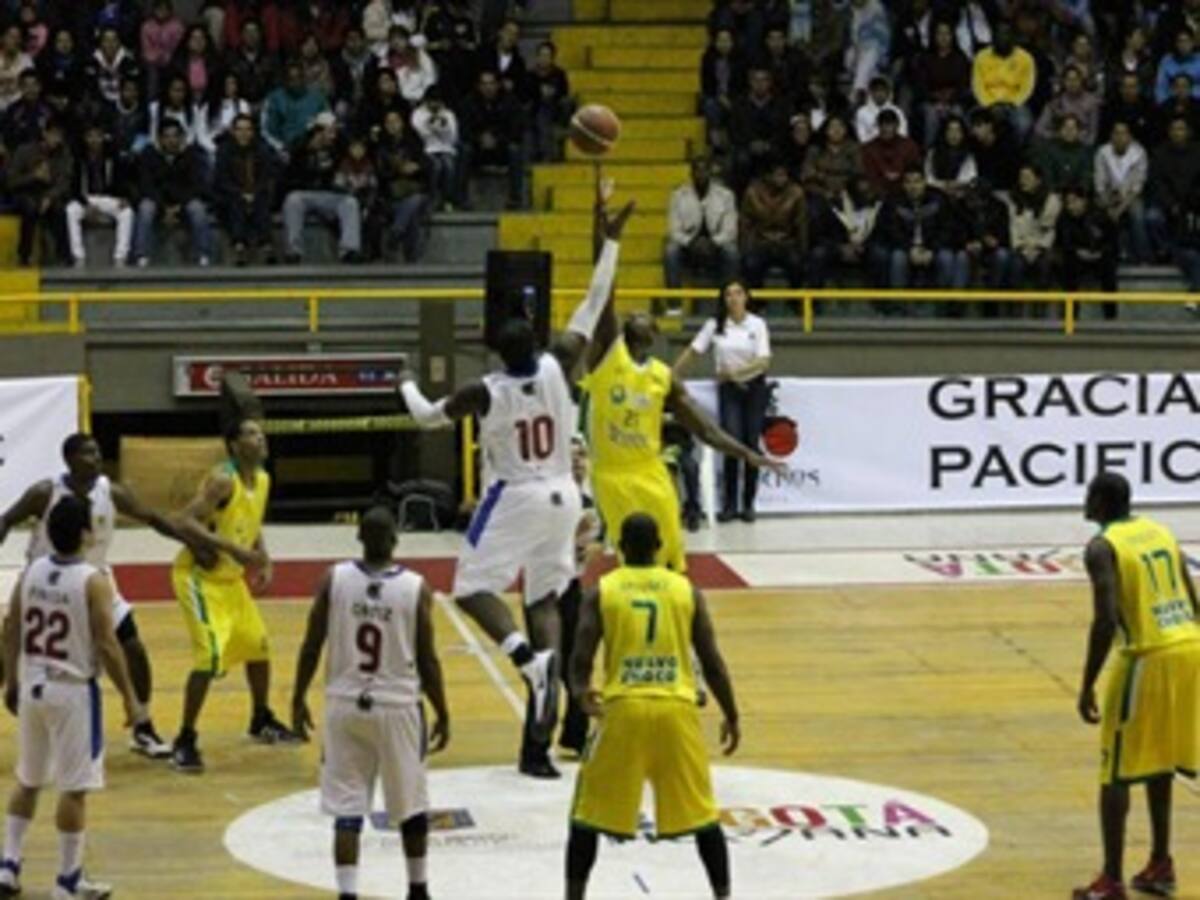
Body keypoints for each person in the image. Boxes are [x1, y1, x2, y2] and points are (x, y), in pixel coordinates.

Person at [399, 186, 634, 777]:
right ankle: (540, 728)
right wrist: (610, 241)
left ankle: (527, 658)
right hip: (565, 498)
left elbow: (426, 415)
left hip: (518, 495)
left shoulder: (489, 391)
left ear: (498, 355)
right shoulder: (560, 361)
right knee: (544, 599)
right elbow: (594, 300)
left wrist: (402, 380)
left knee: (471, 588)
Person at [583, 177, 783, 575]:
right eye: (631, 314)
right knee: (634, 557)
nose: (636, 313)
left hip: (651, 472)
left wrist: (747, 453)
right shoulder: (607, 360)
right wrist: (606, 234)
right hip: (613, 475)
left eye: (645, 314)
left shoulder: (662, 377)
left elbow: (705, 429)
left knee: (672, 556)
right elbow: (601, 293)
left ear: (654, 333)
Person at [0, 432, 206, 760]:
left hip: (93, 579)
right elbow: (7, 519)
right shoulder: (45, 492)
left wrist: (192, 542)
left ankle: (143, 726)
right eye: (88, 454)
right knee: (8, 643)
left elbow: (153, 518)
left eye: (97, 453)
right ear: (69, 459)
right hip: (47, 580)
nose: (96, 459)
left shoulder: (112, 492)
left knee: (133, 648)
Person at [565, 513, 739, 900]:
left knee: (585, 818)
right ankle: (723, 895)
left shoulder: (602, 590)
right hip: (676, 710)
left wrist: (581, 692)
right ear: (660, 546)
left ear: (620, 549)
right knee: (705, 817)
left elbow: (579, 657)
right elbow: (712, 661)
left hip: (623, 710)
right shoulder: (686, 590)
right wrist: (732, 713)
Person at [291, 506, 449, 900]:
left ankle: (348, 894)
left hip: (345, 705)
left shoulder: (334, 578)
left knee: (347, 811)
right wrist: (443, 709)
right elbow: (427, 658)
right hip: (397, 706)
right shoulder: (416, 587)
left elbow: (312, 644)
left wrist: (297, 696)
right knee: (411, 807)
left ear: (359, 537)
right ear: (396, 538)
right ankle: (418, 889)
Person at [0, 497, 139, 900]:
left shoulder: (31, 571)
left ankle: (9, 865)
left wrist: (11, 679)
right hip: (73, 691)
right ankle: (68, 880)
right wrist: (132, 698)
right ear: (85, 533)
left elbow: (11, 629)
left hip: (33, 685)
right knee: (74, 790)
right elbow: (109, 645)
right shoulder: (94, 580)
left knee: (28, 779)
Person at [1073, 472, 1200, 900]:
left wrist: (1087, 683)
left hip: (1147, 657)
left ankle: (1111, 879)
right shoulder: (1159, 531)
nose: (1085, 500)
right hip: (1189, 647)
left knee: (1115, 772)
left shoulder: (1101, 548)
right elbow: (1191, 594)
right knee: (1159, 760)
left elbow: (1106, 620)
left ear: (1102, 502)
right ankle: (1160, 865)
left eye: (1090, 493)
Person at [169, 416, 299, 773]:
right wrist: (232, 549)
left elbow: (252, 524)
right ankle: (185, 738)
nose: (261, 439)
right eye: (252, 434)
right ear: (234, 445)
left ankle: (260, 718)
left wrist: (264, 559)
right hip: (199, 579)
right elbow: (183, 521)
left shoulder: (263, 479)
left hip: (231, 581)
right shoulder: (222, 480)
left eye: (261, 433)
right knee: (209, 659)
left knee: (258, 645)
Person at [674, 280, 770, 522]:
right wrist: (671, 376)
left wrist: (736, 374)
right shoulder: (714, 325)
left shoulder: (757, 324)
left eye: (738, 293)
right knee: (731, 441)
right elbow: (694, 351)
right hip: (728, 391)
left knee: (751, 443)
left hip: (754, 388)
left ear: (747, 297)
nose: (733, 298)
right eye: (728, 294)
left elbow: (763, 361)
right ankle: (729, 504)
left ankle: (748, 503)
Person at [281, 112, 363, 265]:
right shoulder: (300, 147)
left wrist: (338, 135)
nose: (333, 135)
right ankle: (294, 252)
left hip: (329, 194)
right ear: (319, 132)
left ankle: (349, 251)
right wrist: (308, 147)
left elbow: (352, 148)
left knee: (350, 203)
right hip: (305, 193)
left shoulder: (339, 146)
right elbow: (288, 172)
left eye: (334, 131)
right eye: (329, 132)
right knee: (292, 200)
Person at [133, 119, 213, 267]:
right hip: (157, 201)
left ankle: (204, 255)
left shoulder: (191, 155)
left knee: (198, 209)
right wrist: (164, 208)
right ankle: (141, 256)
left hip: (184, 201)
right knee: (145, 208)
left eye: (175, 136)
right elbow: (146, 186)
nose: (171, 141)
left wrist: (179, 207)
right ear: (159, 139)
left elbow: (196, 186)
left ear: (181, 138)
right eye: (167, 136)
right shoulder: (149, 155)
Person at [663, 156, 739, 307]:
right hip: (688, 247)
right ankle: (674, 305)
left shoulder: (725, 196)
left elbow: (730, 230)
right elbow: (674, 230)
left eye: (704, 170)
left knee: (731, 252)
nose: (701, 174)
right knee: (671, 251)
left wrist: (712, 243)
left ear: (711, 173)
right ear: (691, 174)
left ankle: (729, 303)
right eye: (697, 170)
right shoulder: (678, 195)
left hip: (716, 247)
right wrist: (690, 242)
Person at [66, 122, 134, 269]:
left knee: (127, 212)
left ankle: (120, 257)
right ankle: (78, 256)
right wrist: (86, 205)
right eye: (90, 137)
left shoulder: (113, 157)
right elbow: (74, 188)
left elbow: (121, 182)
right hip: (86, 198)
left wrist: (123, 197)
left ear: (103, 138)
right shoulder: (79, 159)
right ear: (85, 139)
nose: (94, 140)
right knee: (71, 210)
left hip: (107, 199)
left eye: (98, 136)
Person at [212, 113, 277, 266]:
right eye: (240, 130)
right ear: (233, 132)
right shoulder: (224, 151)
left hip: (257, 194)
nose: (243, 134)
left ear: (253, 132)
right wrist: (241, 194)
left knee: (261, 201)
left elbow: (266, 177)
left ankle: (266, 246)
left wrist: (253, 193)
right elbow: (221, 180)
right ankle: (239, 247)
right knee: (236, 202)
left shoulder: (262, 150)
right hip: (230, 196)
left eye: (247, 130)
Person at [7, 117, 71, 267]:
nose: (57, 139)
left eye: (60, 136)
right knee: (29, 207)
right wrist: (33, 176)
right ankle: (24, 256)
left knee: (59, 209)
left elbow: (64, 182)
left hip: (48, 195)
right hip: (24, 194)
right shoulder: (24, 151)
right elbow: (11, 181)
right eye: (54, 134)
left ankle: (64, 256)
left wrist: (49, 197)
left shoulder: (64, 154)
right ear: (45, 133)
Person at [739, 160, 806, 288]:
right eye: (778, 175)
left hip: (787, 243)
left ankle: (795, 302)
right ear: (768, 176)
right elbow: (745, 224)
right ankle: (757, 303)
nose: (782, 179)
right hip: (761, 243)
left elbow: (801, 224)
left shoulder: (796, 193)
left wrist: (802, 250)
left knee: (797, 263)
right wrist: (745, 249)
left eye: (784, 175)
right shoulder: (752, 192)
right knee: (750, 264)